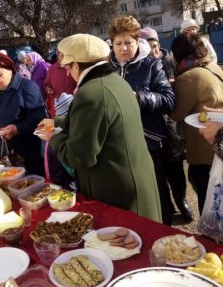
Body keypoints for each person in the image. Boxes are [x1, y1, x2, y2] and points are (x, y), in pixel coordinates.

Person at [38, 33, 162, 222]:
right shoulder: (115, 81)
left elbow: (78, 157)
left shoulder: (90, 93)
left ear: (77, 65)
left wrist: (53, 137)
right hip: (132, 182)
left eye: (68, 67)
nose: (68, 73)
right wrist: (58, 122)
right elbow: (101, 121)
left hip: (118, 192)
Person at [108, 16, 175, 225]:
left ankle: (165, 230)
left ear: (138, 42)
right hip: (117, 143)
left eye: (128, 42)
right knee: (127, 193)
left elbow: (169, 100)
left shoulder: (151, 66)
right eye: (118, 43)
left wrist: (137, 97)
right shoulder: (106, 68)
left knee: (155, 190)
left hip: (149, 141)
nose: (124, 48)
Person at [140, 26, 193, 222]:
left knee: (176, 170)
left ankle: (182, 201)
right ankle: (168, 205)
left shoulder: (171, 62)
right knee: (158, 173)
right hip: (153, 130)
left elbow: (183, 91)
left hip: (173, 127)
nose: (153, 50)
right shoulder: (141, 66)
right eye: (148, 46)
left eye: (155, 46)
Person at [170, 33, 223, 214]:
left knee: (207, 198)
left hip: (204, 148)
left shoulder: (189, 77)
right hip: (218, 142)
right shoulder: (213, 66)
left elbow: (176, 113)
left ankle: (209, 238)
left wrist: (170, 89)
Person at [44, 50, 76, 118]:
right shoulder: (52, 68)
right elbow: (47, 83)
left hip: (72, 103)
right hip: (57, 105)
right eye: (62, 55)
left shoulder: (73, 67)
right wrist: (48, 88)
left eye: (66, 56)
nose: (64, 58)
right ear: (58, 56)